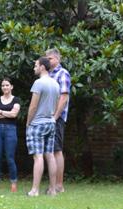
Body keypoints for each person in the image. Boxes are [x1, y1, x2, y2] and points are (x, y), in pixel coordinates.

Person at [26, 57, 60, 197]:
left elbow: (33, 106)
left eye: (36, 65)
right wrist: (52, 117)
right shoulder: (55, 84)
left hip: (38, 123)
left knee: (38, 157)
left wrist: (28, 122)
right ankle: (52, 190)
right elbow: (57, 104)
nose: (34, 68)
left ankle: (35, 190)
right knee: (50, 155)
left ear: (42, 67)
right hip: (51, 122)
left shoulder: (38, 83)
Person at [46, 48, 71, 193]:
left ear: (57, 59)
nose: (48, 61)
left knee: (56, 150)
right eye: (46, 59)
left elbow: (64, 97)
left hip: (57, 118)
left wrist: (55, 117)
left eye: (50, 59)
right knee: (51, 150)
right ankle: (53, 184)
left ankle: (59, 185)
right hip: (47, 117)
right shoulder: (48, 75)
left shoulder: (63, 73)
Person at [0, 78, 21, 192]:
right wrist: (5, 114)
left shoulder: (16, 99)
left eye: (7, 85)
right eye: (3, 85)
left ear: (11, 87)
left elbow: (14, 114)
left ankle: (13, 183)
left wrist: (1, 112)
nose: (5, 87)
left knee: (10, 158)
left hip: (10, 130)